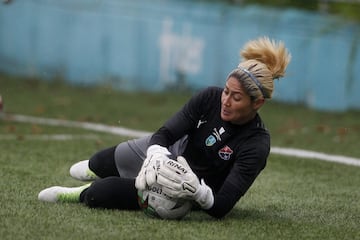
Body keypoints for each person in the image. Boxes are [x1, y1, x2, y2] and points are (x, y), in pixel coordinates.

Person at [38, 36, 291, 219]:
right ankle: (101, 173)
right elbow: (165, 134)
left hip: (184, 186)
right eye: (226, 91)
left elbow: (222, 206)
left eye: (236, 97)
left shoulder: (256, 144)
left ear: (257, 103)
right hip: (170, 150)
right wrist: (157, 153)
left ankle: (75, 193)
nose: (225, 100)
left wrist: (199, 193)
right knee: (97, 163)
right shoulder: (209, 98)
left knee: (99, 194)